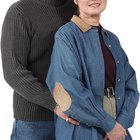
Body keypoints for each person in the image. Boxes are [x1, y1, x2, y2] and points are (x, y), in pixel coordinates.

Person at [46, 0, 139, 139]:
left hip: (117, 130)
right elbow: (68, 91)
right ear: (76, 0)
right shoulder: (66, 36)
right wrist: (108, 124)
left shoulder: (112, 39)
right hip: (81, 131)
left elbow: (130, 84)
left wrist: (122, 122)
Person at [1, 0, 78, 139]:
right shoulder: (20, 11)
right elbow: (13, 71)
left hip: (73, 116)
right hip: (34, 120)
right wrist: (54, 104)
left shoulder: (75, 7)